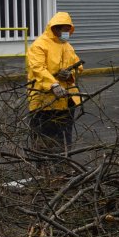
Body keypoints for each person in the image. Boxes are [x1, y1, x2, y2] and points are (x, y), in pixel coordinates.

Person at [27, 12, 82, 151]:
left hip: (67, 100)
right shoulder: (39, 45)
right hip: (45, 102)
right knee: (44, 141)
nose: (66, 33)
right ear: (55, 28)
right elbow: (37, 68)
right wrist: (54, 84)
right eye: (63, 29)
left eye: (67, 30)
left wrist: (70, 74)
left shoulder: (67, 46)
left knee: (64, 139)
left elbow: (78, 65)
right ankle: (44, 170)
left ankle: (65, 167)